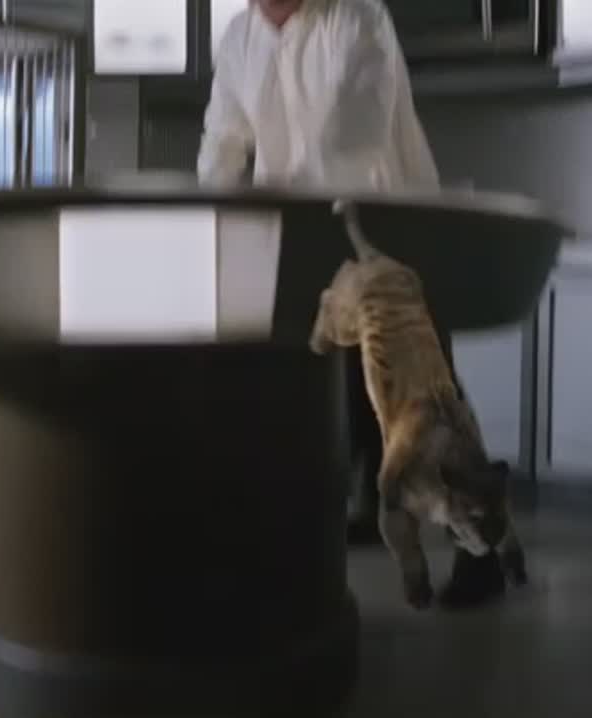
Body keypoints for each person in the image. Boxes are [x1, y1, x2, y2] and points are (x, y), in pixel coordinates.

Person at [198, 0, 470, 546]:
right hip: (306, 238)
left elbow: (353, 135)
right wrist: (210, 212)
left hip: (388, 234)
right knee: (344, 381)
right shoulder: (239, 38)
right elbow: (223, 139)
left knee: (421, 391)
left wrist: (281, 202)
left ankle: (477, 544)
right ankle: (367, 507)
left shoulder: (359, 18)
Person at [198, 0, 440, 192]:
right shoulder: (238, 36)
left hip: (378, 223)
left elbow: (353, 142)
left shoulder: (359, 16)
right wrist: (205, 214)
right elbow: (221, 145)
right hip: (284, 223)